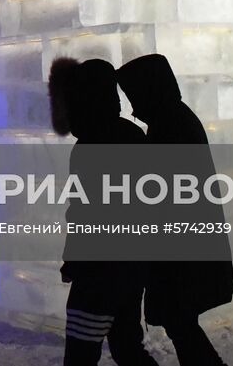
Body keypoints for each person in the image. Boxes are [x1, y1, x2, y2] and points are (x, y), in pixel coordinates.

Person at [117, 54, 233, 366]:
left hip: (181, 254)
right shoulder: (175, 119)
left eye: (135, 97)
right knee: (181, 323)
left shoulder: (168, 126)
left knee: (180, 323)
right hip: (186, 251)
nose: (133, 109)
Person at [48, 57, 156, 366]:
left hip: (99, 269)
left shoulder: (90, 146)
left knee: (81, 353)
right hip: (132, 266)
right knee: (127, 347)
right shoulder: (134, 135)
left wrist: (74, 260)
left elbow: (85, 212)